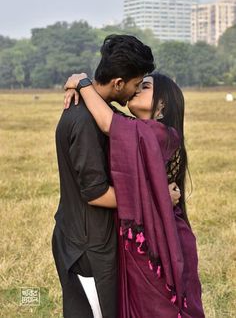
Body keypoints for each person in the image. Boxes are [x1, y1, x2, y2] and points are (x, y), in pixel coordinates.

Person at [52, 34, 180, 318]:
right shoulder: (86, 121)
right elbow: (96, 193)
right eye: (137, 85)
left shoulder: (103, 114)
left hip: (94, 241)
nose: (135, 92)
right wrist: (157, 199)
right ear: (119, 83)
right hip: (87, 248)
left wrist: (81, 80)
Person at [63, 71, 205, 318]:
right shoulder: (137, 129)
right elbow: (109, 117)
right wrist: (84, 91)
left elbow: (108, 123)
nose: (138, 88)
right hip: (144, 238)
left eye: (146, 86)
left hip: (163, 242)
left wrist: (83, 82)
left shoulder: (162, 134)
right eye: (138, 84)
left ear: (162, 104)